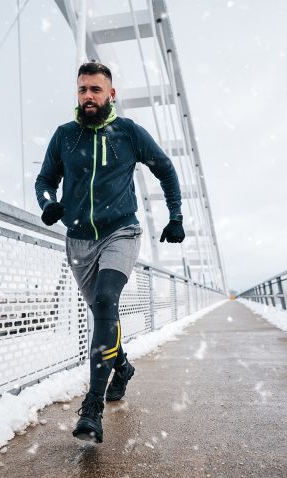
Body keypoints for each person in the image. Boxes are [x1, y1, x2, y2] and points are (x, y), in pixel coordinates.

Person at [35, 62, 185, 443]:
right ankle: (122, 366)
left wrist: (176, 216)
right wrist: (48, 202)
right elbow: (45, 180)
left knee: (105, 302)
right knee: (104, 314)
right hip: (79, 241)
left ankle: (92, 408)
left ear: (111, 94)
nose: (88, 96)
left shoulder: (129, 132)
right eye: (82, 89)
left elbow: (165, 169)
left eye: (95, 90)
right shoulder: (64, 136)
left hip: (121, 231)